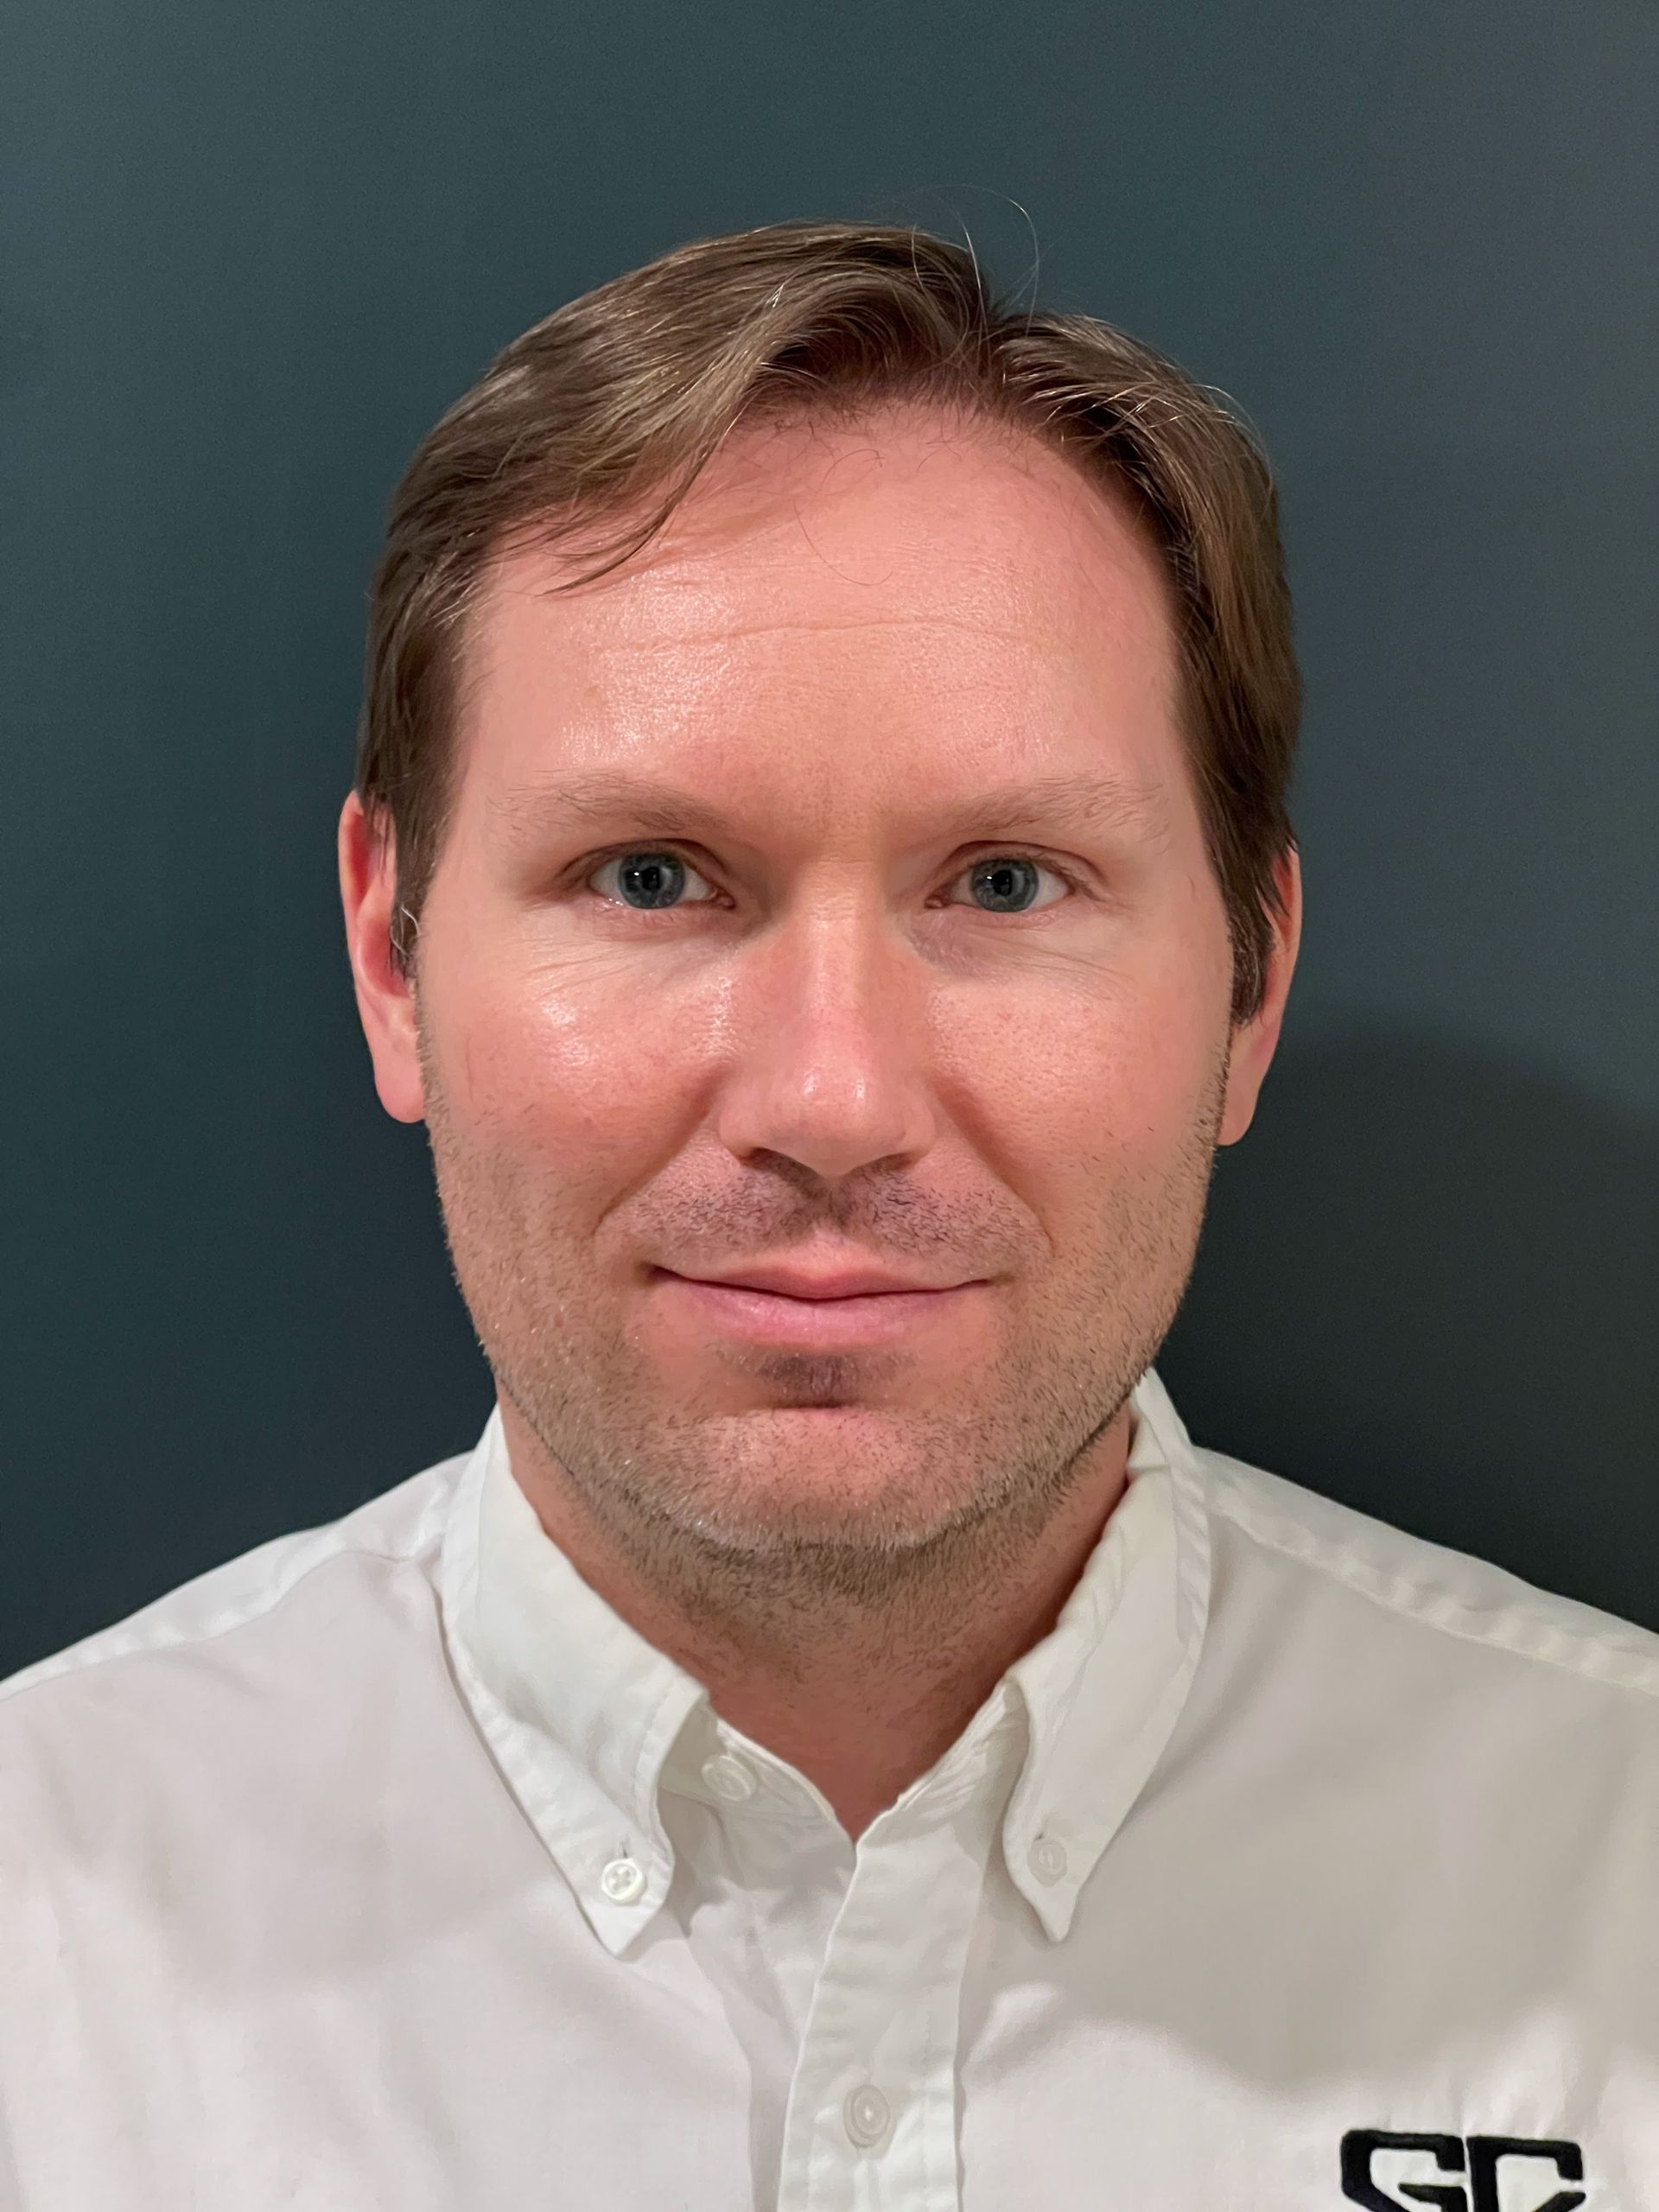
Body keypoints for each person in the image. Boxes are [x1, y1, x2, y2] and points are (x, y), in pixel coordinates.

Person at [0, 222, 1649, 2212]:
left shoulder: (1618, 1867)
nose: (833, 1101)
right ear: (389, 955)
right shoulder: (48, 1920)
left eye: (1009, 883)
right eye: (653, 876)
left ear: (1247, 989)